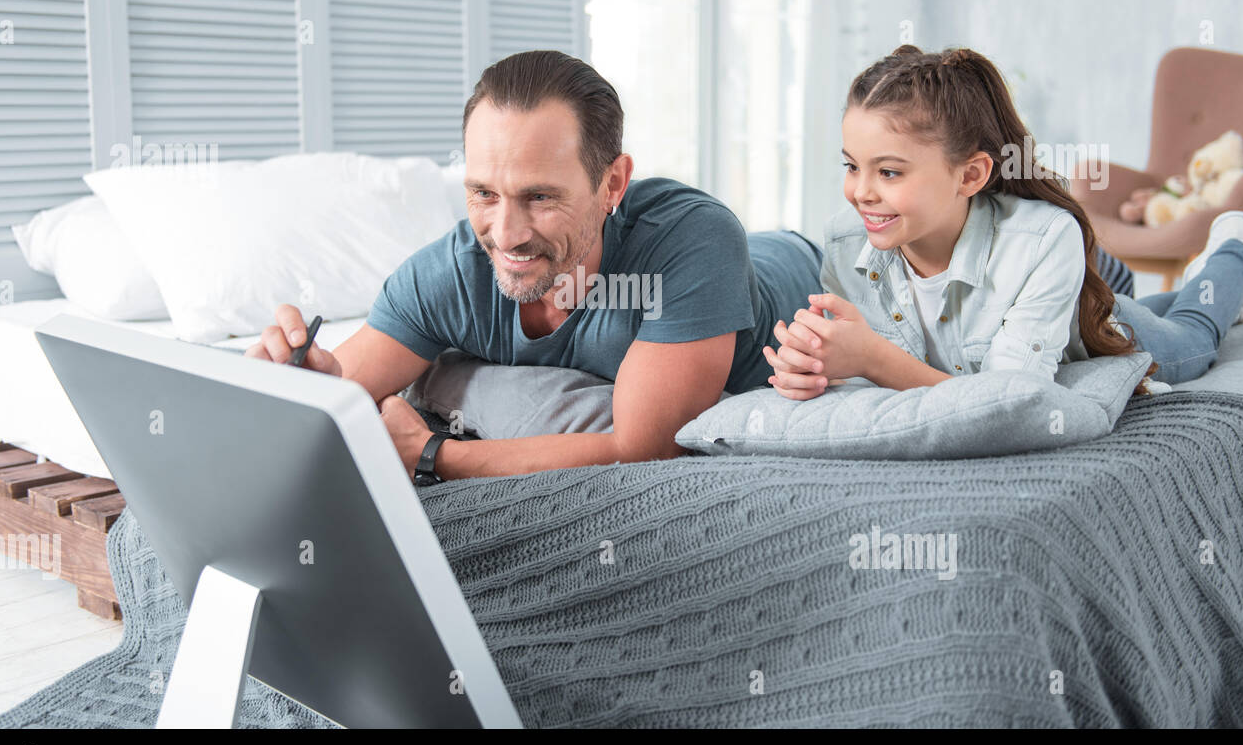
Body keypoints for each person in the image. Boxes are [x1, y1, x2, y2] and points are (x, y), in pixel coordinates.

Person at [246, 50, 824, 480]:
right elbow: (330, 396)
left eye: (540, 197)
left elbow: (646, 449)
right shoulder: (449, 275)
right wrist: (292, 387)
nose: (507, 235)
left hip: (793, 264)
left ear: (612, 184)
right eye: (483, 193)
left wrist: (436, 454)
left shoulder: (691, 245)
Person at [763, 45, 1243, 398]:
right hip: (1071, 300)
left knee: (1195, 332)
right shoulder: (846, 242)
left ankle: (1230, 253)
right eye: (852, 166)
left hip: (1105, 334)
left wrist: (871, 358)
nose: (860, 192)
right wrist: (813, 369)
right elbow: (865, 373)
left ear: (971, 175)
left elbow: (1010, 400)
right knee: (1154, 300)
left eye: (889, 171)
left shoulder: (1043, 238)